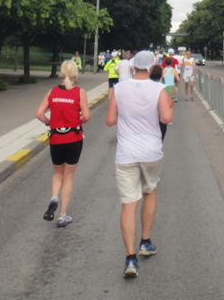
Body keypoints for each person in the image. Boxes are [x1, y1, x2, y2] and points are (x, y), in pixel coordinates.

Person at [106, 50, 174, 279]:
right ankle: (145, 241)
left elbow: (110, 120)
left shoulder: (118, 89)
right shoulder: (159, 89)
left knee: (128, 204)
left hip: (126, 152)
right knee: (150, 191)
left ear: (133, 65)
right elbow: (166, 118)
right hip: (150, 150)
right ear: (153, 65)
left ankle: (130, 258)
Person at [35, 60, 90, 227]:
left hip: (56, 138)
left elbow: (38, 114)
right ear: (75, 74)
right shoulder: (79, 92)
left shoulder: (52, 92)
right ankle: (63, 215)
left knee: (57, 173)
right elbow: (86, 117)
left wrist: (49, 122)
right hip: (73, 137)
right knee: (69, 176)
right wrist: (75, 121)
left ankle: (54, 197)